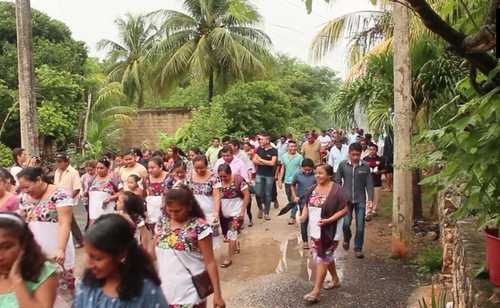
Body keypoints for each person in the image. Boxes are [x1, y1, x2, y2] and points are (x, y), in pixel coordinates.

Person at [75, 214, 167, 308]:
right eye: (88, 255)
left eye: (98, 258)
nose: (90, 264)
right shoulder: (86, 285)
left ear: (121, 254)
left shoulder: (147, 292)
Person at [154, 186, 225, 308]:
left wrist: (217, 295)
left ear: (189, 207)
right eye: (169, 210)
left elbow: (210, 262)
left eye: (177, 211)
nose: (173, 215)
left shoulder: (199, 227)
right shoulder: (162, 223)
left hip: (190, 295)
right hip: (166, 294)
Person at [17, 167, 76, 306]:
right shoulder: (24, 197)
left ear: (39, 180)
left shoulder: (60, 194)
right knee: (40, 291)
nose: (25, 191)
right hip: (35, 253)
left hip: (56, 251)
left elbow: (64, 223)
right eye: (22, 188)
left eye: (27, 186)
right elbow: (22, 222)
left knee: (62, 294)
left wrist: (61, 249)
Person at [300, 165, 348, 304]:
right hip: (315, 230)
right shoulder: (312, 189)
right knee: (326, 256)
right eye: (316, 173)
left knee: (322, 257)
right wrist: (303, 216)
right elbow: (306, 205)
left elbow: (345, 209)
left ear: (329, 175)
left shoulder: (337, 190)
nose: (317, 176)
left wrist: (329, 220)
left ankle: (316, 291)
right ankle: (335, 279)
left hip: (330, 231)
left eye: (321, 173)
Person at [0, 213, 58, 307]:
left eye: (7, 247)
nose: (0, 256)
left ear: (24, 244)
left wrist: (17, 280)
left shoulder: (42, 272)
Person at [336, 143, 374, 258]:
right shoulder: (343, 165)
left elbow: (369, 184)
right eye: (353, 154)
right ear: (349, 153)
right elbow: (337, 180)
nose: (356, 157)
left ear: (361, 154)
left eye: (358, 155)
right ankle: (347, 238)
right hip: (346, 201)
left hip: (360, 200)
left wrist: (370, 199)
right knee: (345, 224)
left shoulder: (365, 166)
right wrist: (339, 195)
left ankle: (358, 248)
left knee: (360, 226)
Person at [217, 164, 250, 268]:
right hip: (224, 215)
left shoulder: (239, 180)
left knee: (231, 233)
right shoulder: (217, 183)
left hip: (236, 213)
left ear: (230, 173)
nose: (222, 178)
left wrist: (242, 211)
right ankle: (235, 245)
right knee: (227, 235)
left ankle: (228, 258)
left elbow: (247, 196)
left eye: (225, 176)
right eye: (220, 176)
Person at [187, 155, 222, 247]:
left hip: (209, 213)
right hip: (193, 213)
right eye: (196, 168)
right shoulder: (189, 176)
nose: (199, 170)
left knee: (209, 238)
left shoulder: (214, 177)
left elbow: (216, 195)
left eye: (201, 168)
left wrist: (216, 212)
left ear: (206, 166)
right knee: (194, 237)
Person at [53, 152, 84, 248]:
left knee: (69, 221)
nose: (58, 164)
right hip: (58, 199)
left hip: (68, 200)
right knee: (65, 221)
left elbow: (77, 188)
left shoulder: (73, 172)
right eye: (57, 162)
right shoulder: (57, 171)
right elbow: (55, 186)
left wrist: (68, 199)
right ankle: (76, 240)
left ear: (66, 162)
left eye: (60, 161)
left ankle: (80, 240)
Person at [291, 159, 317, 249]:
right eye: (305, 170)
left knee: (314, 222)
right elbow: (292, 185)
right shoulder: (297, 174)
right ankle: (305, 241)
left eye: (309, 170)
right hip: (302, 202)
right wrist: (295, 196)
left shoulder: (316, 175)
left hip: (314, 203)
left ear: (312, 169)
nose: (307, 172)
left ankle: (315, 241)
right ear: (302, 168)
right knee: (304, 222)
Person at [253, 132, 277, 220]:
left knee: (268, 194)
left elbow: (272, 163)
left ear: (267, 140)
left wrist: (261, 160)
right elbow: (254, 161)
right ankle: (260, 208)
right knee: (258, 193)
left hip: (269, 176)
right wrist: (265, 162)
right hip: (259, 174)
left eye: (262, 139)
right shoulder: (259, 148)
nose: (260, 141)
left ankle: (266, 213)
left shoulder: (274, 150)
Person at [278, 140, 303, 225]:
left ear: (296, 147)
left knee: (294, 199)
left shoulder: (299, 157)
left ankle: (292, 217)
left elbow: (301, 169)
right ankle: (296, 211)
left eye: (294, 146)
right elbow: (282, 168)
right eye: (291, 146)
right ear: (288, 147)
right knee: (289, 198)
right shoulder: (284, 156)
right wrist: (280, 180)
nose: (293, 148)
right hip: (287, 181)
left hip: (296, 182)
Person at [88, 158, 120, 223]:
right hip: (94, 211)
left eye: (101, 168)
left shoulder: (112, 179)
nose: (99, 170)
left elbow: (122, 192)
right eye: (97, 168)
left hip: (108, 210)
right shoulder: (93, 179)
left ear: (107, 168)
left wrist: (111, 198)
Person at [143, 156, 169, 230]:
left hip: (166, 211)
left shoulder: (169, 177)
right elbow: (144, 195)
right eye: (148, 168)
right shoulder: (146, 179)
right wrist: (145, 212)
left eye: (152, 168)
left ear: (161, 167)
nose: (150, 170)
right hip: (152, 212)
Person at [363, 144, 385, 221]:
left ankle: (373, 210)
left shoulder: (380, 159)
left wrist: (379, 172)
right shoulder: (365, 159)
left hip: (377, 181)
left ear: (376, 150)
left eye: (374, 149)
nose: (372, 151)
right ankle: (368, 212)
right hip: (367, 182)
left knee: (376, 198)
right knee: (368, 198)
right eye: (370, 149)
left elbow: (384, 169)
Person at [81, 160, 97, 231]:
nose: (89, 172)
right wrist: (82, 193)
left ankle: (89, 227)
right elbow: (81, 186)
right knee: (89, 212)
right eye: (88, 170)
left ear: (95, 168)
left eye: (91, 170)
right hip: (86, 198)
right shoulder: (84, 177)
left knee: (93, 213)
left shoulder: (97, 176)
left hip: (95, 198)